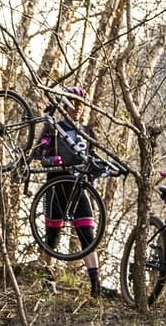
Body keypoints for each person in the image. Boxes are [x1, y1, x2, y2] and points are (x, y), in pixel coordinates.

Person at [35, 86, 113, 297]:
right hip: (57, 185)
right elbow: (39, 152)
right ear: (66, 106)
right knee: (53, 235)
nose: (77, 109)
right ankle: (47, 279)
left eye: (81, 105)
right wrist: (52, 160)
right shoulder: (53, 128)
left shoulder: (87, 131)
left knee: (88, 234)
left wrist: (100, 168)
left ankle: (95, 285)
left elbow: (94, 156)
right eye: (73, 105)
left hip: (80, 188)